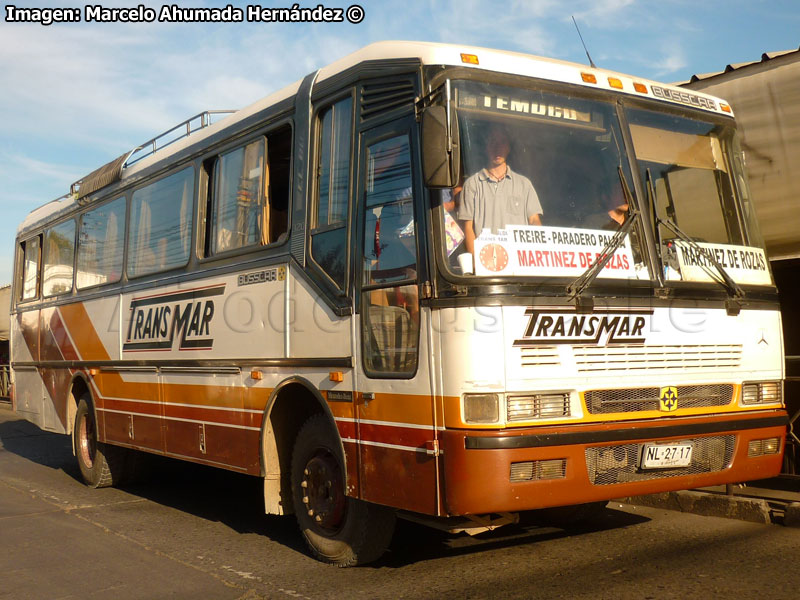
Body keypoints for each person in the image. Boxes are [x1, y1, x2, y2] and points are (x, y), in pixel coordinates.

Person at [457, 127, 543, 255]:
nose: (497, 147)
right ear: (486, 147)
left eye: (502, 142)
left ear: (508, 147)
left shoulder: (524, 184)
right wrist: (477, 263)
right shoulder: (472, 185)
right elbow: (468, 228)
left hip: (519, 264)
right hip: (486, 265)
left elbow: (534, 221)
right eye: (492, 142)